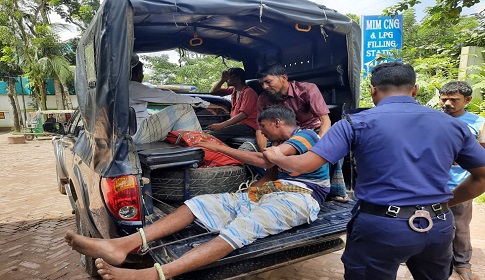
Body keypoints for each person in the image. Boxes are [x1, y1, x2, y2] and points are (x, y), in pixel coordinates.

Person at [262, 62, 485, 279]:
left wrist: (276, 155)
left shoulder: (353, 123)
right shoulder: (453, 125)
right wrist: (444, 204)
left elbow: (303, 165)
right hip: (438, 226)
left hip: (380, 227)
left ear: (372, 90)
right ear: (415, 89)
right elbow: (482, 176)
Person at [64, 106, 330, 280]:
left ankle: (153, 275)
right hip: (273, 193)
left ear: (277, 122)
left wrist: (220, 147)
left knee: (242, 227)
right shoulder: (283, 142)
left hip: (300, 198)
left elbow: (265, 161)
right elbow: (271, 173)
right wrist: (249, 194)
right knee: (198, 204)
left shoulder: (306, 136)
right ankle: (122, 245)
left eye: (263, 127)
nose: (260, 131)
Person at [439, 81, 485, 280]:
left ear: (467, 100)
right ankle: (423, 256)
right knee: (427, 220)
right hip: (432, 182)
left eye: (454, 99)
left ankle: (462, 263)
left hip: (462, 183)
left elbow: (482, 153)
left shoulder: (478, 122)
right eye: (444, 98)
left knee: (461, 226)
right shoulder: (433, 119)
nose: (447, 103)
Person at [129, 53, 227, 144]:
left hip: (130, 133)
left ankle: (191, 143)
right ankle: (201, 146)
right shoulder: (132, 86)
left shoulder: (122, 88)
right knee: (184, 108)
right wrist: (204, 103)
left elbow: (158, 91)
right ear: (137, 74)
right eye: (141, 73)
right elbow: (170, 97)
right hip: (137, 133)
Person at [255, 63, 331, 151]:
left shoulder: (307, 89)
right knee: (246, 149)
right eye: (261, 84)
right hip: (281, 136)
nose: (264, 87)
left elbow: (325, 120)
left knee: (332, 145)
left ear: (284, 78)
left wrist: (318, 145)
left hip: (311, 131)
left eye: (268, 82)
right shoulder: (263, 99)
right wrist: (265, 152)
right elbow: (260, 129)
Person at [208, 68, 259, 142]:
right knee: (209, 132)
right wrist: (222, 80)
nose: (226, 80)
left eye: (228, 77)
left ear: (236, 78)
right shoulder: (234, 90)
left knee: (214, 134)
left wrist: (221, 125)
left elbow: (243, 115)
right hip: (237, 124)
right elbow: (213, 91)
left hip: (248, 126)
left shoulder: (248, 92)